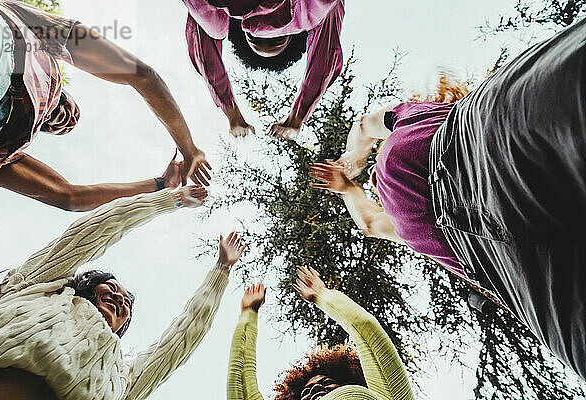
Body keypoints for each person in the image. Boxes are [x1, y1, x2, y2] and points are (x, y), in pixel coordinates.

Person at [312, 18, 586, 381]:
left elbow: (363, 126)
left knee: (570, 91)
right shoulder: (402, 223)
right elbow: (369, 224)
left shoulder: (419, 116)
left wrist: (356, 156)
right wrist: (349, 188)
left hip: (473, 148)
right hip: (490, 258)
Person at [0, 185, 248, 400]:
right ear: (86, 285)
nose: (120, 298)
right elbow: (96, 230)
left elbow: (181, 339)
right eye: (111, 287)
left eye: (126, 306)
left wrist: (221, 270)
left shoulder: (120, 377)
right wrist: (170, 199)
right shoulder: (40, 288)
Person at [0, 0, 212, 212]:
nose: (67, 119)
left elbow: (70, 197)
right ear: (61, 90)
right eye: (66, 106)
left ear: (42, 128)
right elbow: (143, 75)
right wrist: (188, 147)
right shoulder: (28, 29)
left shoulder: (4, 152)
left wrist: (161, 184)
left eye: (59, 125)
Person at [227, 267, 414, 400]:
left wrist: (323, 295)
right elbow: (241, 389)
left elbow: (367, 330)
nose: (316, 388)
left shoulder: (385, 396)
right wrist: (248, 315)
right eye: (305, 393)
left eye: (326, 382)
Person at [183, 0, 344, 139]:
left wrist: (231, 112)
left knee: (212, 27)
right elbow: (325, 57)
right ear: (292, 35)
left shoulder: (221, 16)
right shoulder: (309, 14)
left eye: (254, 38)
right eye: (278, 39)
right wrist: (297, 117)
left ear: (242, 30)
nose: (265, 32)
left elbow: (205, 52)